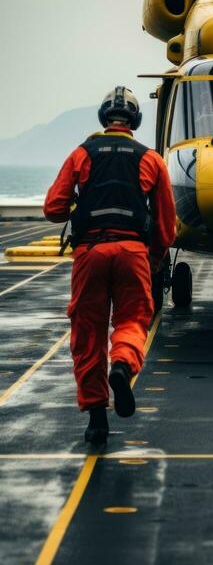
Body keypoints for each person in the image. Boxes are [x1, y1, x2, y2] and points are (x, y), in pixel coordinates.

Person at [44, 87, 176, 444]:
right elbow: (167, 225)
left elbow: (52, 209)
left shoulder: (81, 154)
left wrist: (77, 204)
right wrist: (157, 256)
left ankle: (97, 418)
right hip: (133, 253)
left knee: (87, 332)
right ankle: (122, 366)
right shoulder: (151, 159)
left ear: (103, 119)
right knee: (133, 319)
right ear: (135, 121)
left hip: (90, 253)